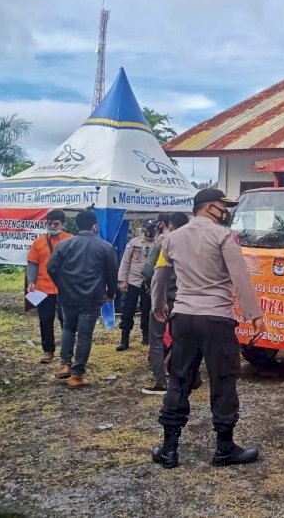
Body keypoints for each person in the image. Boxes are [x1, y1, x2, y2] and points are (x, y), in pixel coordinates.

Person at [150, 188, 265, 469]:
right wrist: (254, 315)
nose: (225, 211)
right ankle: (225, 449)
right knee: (223, 380)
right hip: (217, 318)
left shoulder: (171, 238)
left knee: (179, 379)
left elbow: (160, 273)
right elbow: (240, 277)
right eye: (222, 206)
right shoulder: (223, 236)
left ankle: (169, 449)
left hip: (184, 317)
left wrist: (158, 303)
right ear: (210, 208)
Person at [47, 210, 118, 389]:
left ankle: (65, 364)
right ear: (95, 225)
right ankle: (77, 375)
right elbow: (112, 274)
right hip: (92, 296)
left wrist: (61, 285)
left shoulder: (64, 245)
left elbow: (51, 267)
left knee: (68, 328)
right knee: (84, 335)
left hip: (67, 295)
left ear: (77, 226)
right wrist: (111, 293)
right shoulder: (105, 247)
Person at [141, 212, 189, 395]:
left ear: (170, 226)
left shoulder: (163, 245)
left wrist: (152, 292)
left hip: (163, 299)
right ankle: (182, 378)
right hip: (186, 300)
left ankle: (160, 382)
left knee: (156, 339)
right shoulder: (196, 247)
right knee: (183, 339)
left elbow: (148, 272)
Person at [26, 209, 73, 363]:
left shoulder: (71, 240)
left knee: (65, 320)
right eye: (49, 223)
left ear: (63, 224)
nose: (52, 226)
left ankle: (67, 353)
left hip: (65, 287)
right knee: (45, 320)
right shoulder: (38, 242)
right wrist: (31, 281)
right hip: (43, 287)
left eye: (56, 223)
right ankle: (48, 351)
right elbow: (32, 263)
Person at [116, 219, 156, 351]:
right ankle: (124, 339)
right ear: (143, 229)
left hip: (149, 283)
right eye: (147, 229)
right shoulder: (134, 242)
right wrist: (122, 280)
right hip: (133, 281)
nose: (149, 232)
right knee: (127, 311)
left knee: (147, 311)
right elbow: (125, 261)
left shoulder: (158, 243)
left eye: (152, 229)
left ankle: (146, 337)